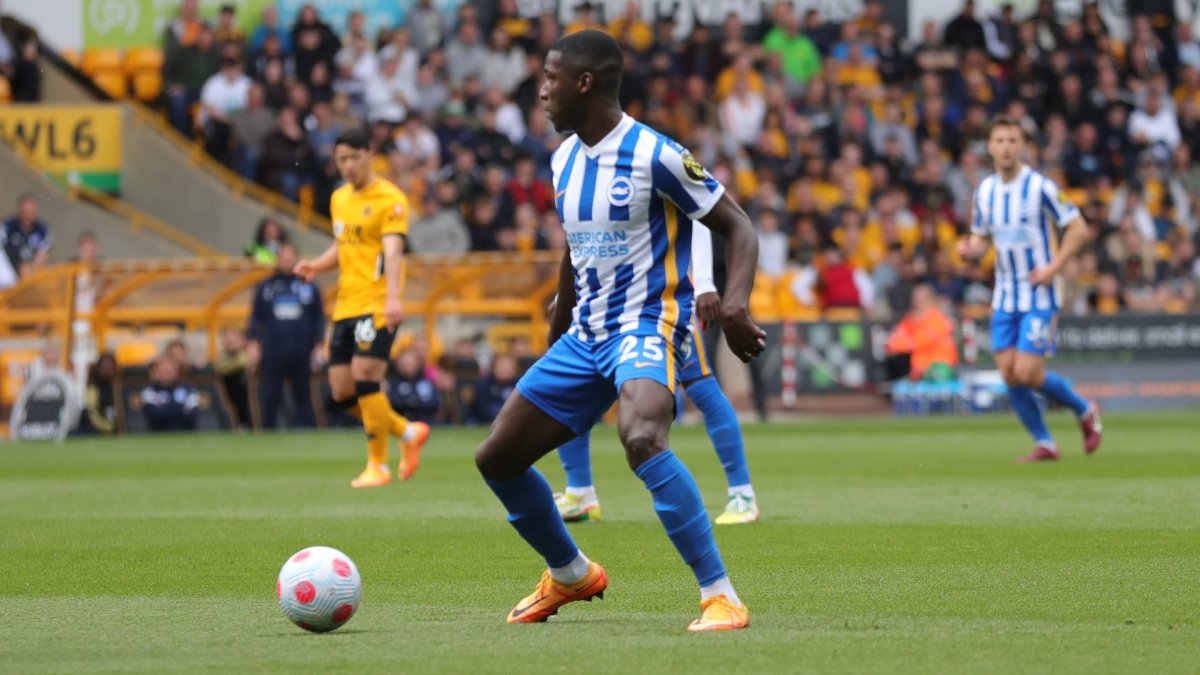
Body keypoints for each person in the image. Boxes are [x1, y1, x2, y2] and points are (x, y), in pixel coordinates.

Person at [472, 30, 765, 632]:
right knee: (497, 458)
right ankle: (570, 573)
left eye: (550, 78)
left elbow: (739, 227)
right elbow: (574, 246)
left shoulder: (657, 154)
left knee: (641, 436)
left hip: (647, 324)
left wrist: (734, 304)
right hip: (585, 332)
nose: (541, 90)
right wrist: (560, 321)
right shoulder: (563, 158)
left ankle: (721, 596)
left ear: (584, 83)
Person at [552, 223, 758, 525]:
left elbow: (698, 215)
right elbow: (587, 235)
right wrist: (567, 292)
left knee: (700, 386)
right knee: (574, 387)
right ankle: (580, 493)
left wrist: (704, 284)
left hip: (661, 302)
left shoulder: (651, 188)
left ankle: (742, 494)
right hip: (605, 301)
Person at [957, 116, 1103, 463]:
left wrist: (1054, 267)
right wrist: (971, 249)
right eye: (999, 141)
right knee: (1009, 374)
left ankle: (1084, 408)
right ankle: (1045, 443)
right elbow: (981, 236)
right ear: (989, 147)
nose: (1006, 147)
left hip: (1039, 293)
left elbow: (1078, 228)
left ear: (1022, 146)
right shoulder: (985, 191)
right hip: (1005, 295)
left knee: (1026, 372)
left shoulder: (1040, 187)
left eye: (1012, 140)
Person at [294, 128, 430, 486]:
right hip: (345, 304)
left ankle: (378, 465)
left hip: (377, 303)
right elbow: (343, 245)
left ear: (369, 154)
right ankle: (407, 432)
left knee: (366, 378)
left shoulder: (390, 198)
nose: (348, 165)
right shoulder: (339, 198)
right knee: (341, 391)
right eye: (342, 159)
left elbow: (393, 251)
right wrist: (316, 266)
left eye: (354, 157)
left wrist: (393, 298)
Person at [248, 243, 323, 429]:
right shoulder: (266, 286)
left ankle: (307, 430)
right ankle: (268, 431)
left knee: (303, 392)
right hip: (273, 349)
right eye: (284, 257)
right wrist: (253, 344)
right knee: (270, 393)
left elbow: (319, 317)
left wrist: (320, 344)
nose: (287, 261)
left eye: (291, 257)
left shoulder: (309, 286)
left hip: (302, 348)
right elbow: (255, 317)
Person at [884, 284, 959, 381]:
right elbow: (893, 342)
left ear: (930, 301)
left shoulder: (938, 319)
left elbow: (919, 341)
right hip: (918, 369)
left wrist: (902, 344)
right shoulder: (910, 319)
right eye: (914, 299)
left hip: (940, 366)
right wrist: (898, 345)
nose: (916, 303)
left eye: (920, 300)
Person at [140, 357, 199, 432]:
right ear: (157, 372)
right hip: (158, 433)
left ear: (176, 371)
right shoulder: (149, 391)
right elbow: (154, 414)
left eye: (169, 370)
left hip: (185, 433)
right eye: (164, 370)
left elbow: (193, 414)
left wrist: (164, 408)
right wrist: (181, 408)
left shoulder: (189, 390)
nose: (166, 373)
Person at [3, 193, 51, 278]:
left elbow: (43, 253)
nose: (27, 215)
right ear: (19, 210)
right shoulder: (7, 226)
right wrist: (17, 264)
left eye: (30, 211)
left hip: (31, 269)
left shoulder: (42, 230)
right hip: (8, 267)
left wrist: (31, 266)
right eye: (25, 211)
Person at [77, 353, 118, 435]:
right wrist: (108, 428)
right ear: (98, 369)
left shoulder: (118, 388)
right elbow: (93, 415)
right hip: (93, 431)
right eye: (105, 367)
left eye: (110, 367)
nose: (107, 370)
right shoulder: (93, 389)